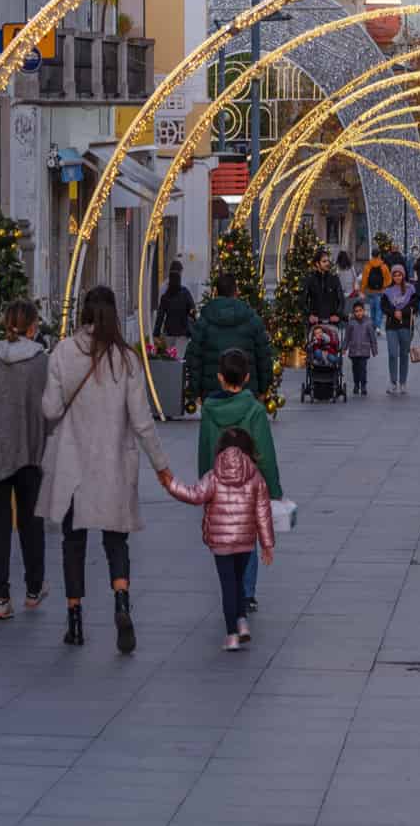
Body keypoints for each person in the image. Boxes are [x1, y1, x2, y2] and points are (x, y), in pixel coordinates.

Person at [38, 286, 172, 654]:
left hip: (72, 464)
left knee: (73, 542)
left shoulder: (63, 352)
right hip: (113, 462)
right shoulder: (126, 360)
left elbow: (50, 409)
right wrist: (162, 467)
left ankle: (75, 619)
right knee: (116, 541)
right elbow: (142, 422)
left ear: (83, 313)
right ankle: (121, 601)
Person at [0, 300, 51, 621]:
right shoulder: (42, 361)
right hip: (31, 451)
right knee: (31, 523)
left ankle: (0, 598)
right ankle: (33, 589)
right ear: (32, 327)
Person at [164, 426, 275, 651]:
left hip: (221, 543)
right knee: (238, 580)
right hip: (245, 541)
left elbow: (194, 495)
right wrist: (267, 544)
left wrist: (171, 484)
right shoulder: (256, 476)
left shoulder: (213, 476)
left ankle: (232, 635)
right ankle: (242, 621)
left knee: (228, 585)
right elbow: (263, 512)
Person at [197, 348, 282, 616]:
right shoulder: (255, 410)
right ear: (246, 378)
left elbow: (205, 447)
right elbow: (265, 452)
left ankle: (232, 588)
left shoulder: (210, 410)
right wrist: (274, 488)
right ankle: (247, 593)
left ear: (220, 378)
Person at [184, 272, 275, 408]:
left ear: (215, 292)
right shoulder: (252, 320)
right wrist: (263, 389)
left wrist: (196, 392)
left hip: (212, 394)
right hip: (247, 393)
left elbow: (194, 359)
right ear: (236, 291)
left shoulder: (204, 322)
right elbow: (264, 357)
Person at [382, 262, 418, 395]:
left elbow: (415, 305)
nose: (397, 277)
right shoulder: (387, 291)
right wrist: (393, 312)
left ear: (403, 275)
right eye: (395, 275)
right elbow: (384, 307)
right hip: (391, 325)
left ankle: (403, 382)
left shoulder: (410, 289)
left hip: (405, 325)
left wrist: (403, 312)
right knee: (392, 354)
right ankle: (393, 382)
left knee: (404, 354)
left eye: (399, 275)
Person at [153, 262, 196, 359]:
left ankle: (171, 374)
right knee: (179, 358)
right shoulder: (185, 292)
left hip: (169, 330)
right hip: (183, 331)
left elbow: (160, 315)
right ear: (180, 274)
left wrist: (156, 333)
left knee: (171, 358)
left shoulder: (165, 295)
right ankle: (178, 374)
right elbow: (193, 310)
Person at [342, 300, 377, 397]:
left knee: (363, 368)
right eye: (356, 311)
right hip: (353, 350)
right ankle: (356, 384)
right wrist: (344, 348)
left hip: (364, 350)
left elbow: (372, 337)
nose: (358, 313)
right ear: (353, 312)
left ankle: (364, 385)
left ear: (364, 311)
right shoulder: (351, 323)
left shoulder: (368, 322)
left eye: (360, 310)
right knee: (355, 368)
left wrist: (374, 350)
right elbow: (347, 337)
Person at [303, 250, 345, 325]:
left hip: (331, 322)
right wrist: (309, 315)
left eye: (328, 261)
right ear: (317, 263)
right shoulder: (310, 280)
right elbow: (303, 300)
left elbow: (341, 299)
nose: (327, 263)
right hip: (315, 323)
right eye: (324, 261)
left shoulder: (334, 279)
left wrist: (337, 314)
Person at [359, 253, 391, 334]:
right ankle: (378, 327)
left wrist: (362, 290)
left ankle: (373, 326)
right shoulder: (384, 266)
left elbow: (364, 280)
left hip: (370, 291)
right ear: (379, 255)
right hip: (380, 291)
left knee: (372, 309)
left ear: (372, 255)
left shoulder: (368, 266)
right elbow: (388, 279)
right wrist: (384, 287)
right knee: (379, 309)